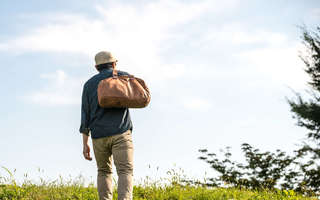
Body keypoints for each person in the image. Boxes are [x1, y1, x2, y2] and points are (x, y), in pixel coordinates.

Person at [80, 51, 134, 200]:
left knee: (103, 171)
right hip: (121, 132)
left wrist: (85, 144)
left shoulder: (89, 85)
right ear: (114, 64)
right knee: (125, 171)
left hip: (98, 137)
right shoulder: (124, 77)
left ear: (96, 67)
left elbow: (85, 116)